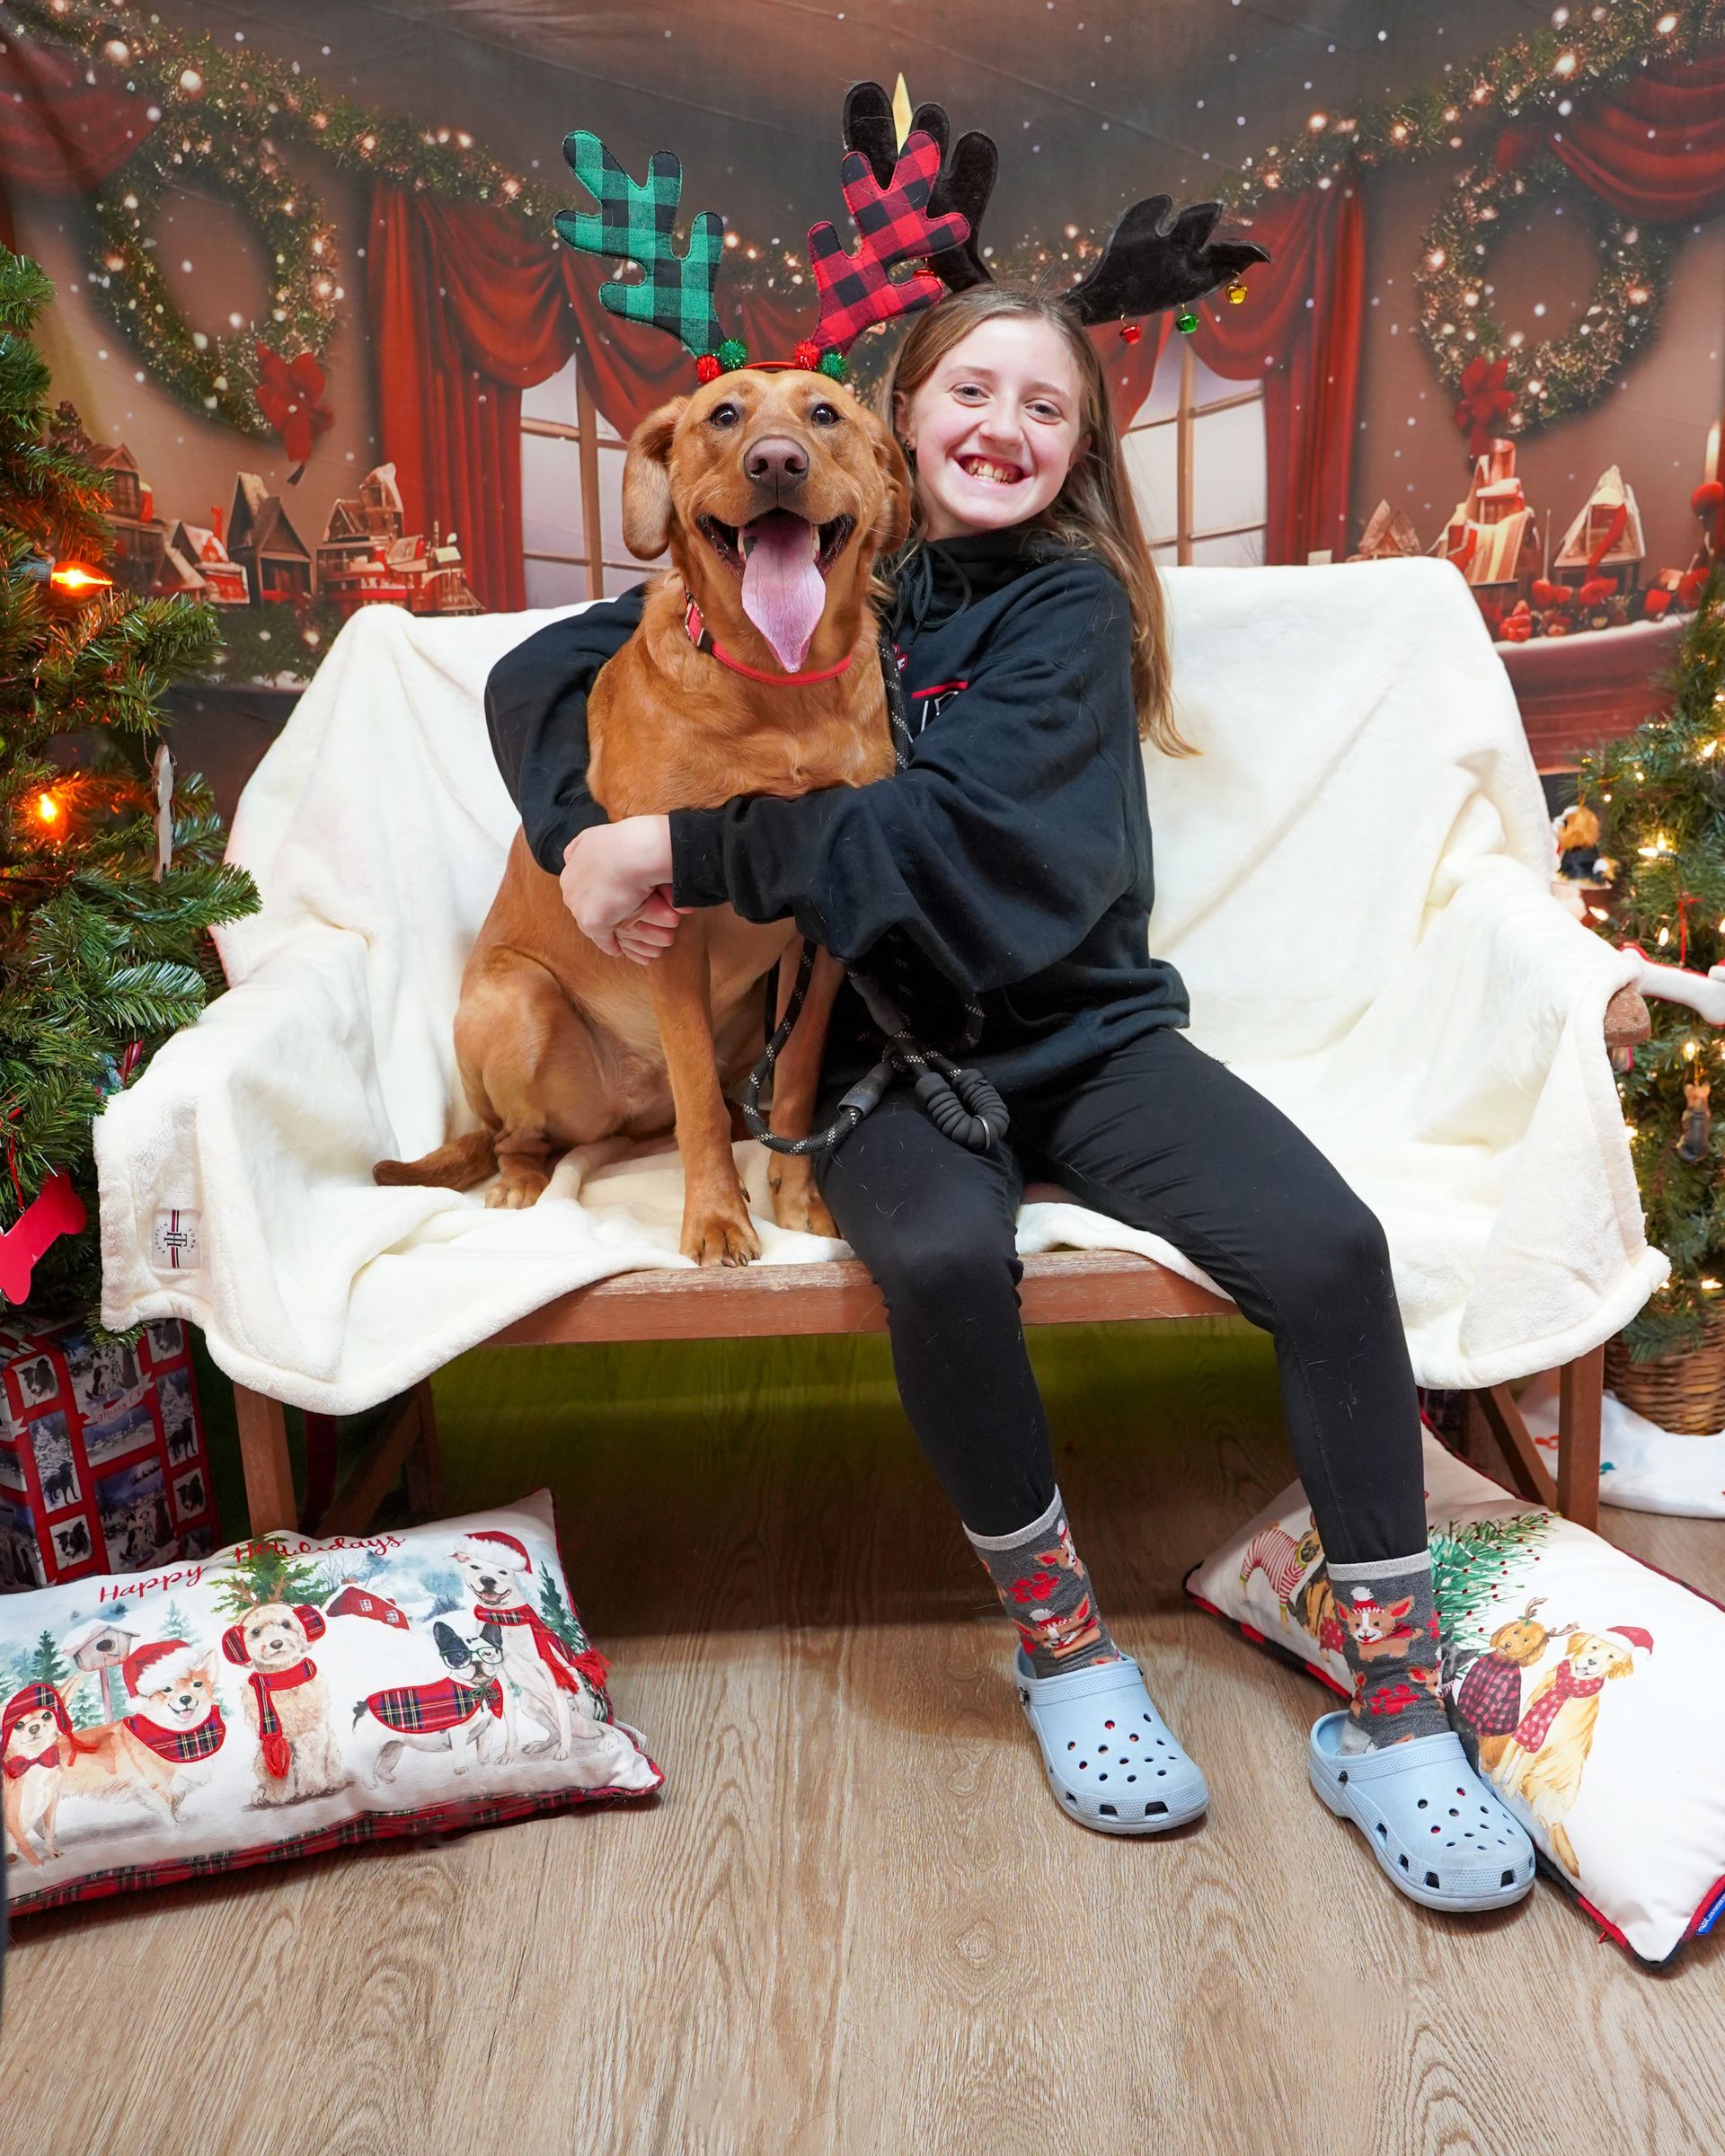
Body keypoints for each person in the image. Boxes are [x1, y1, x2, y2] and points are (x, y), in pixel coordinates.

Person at [485, 284, 1536, 1912]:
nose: (1004, 429)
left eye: (1046, 409)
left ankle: (1398, 1713)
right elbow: (547, 666)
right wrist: (580, 829)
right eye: (969, 391)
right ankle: (1062, 1648)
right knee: (940, 1264)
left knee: (1331, 1248)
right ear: (902, 434)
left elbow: (944, 849)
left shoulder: (1068, 611)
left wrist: (680, 848)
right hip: (895, 1058)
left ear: (1079, 451)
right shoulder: (811, 572)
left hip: (1089, 1037)